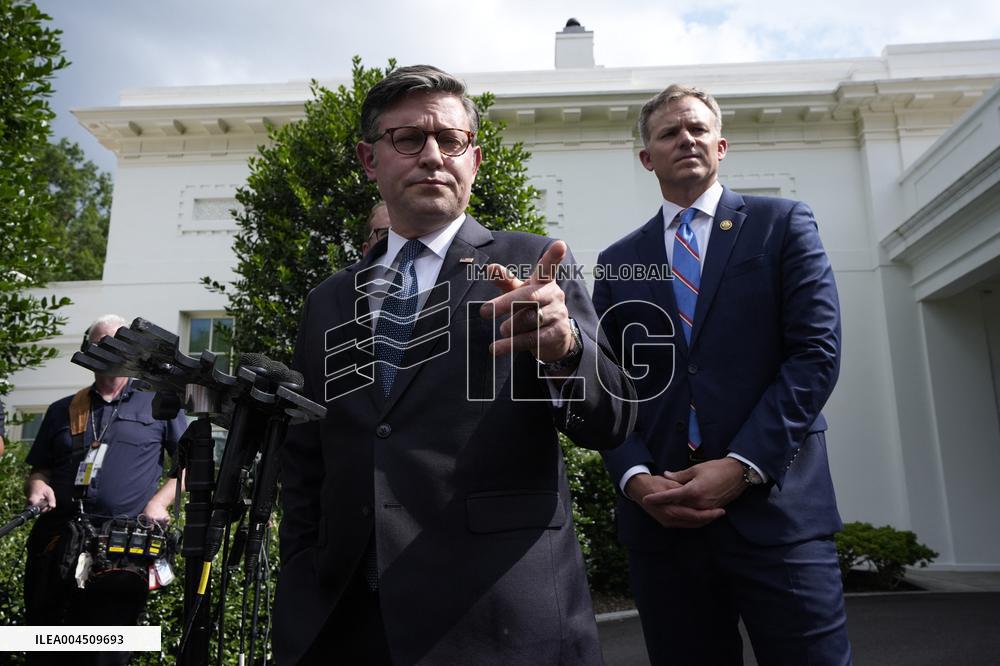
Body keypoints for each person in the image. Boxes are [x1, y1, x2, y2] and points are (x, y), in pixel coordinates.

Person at [275, 65, 635, 665]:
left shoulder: (533, 264)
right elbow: (308, 455)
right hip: (350, 622)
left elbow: (613, 420)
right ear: (370, 159)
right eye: (408, 139)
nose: (432, 156)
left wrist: (564, 349)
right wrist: (300, 576)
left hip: (499, 617)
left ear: (475, 158)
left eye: (451, 140)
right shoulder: (329, 300)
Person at [592, 84, 850, 665]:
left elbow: (816, 353)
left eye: (697, 129)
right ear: (646, 157)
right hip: (663, 524)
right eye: (668, 133)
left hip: (777, 516)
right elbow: (608, 387)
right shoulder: (616, 262)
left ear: (721, 145)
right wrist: (634, 477)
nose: (685, 139)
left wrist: (743, 466)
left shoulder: (781, 224)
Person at [23, 314, 187, 666]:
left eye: (117, 343)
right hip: (58, 545)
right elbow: (40, 469)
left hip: (122, 550)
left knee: (107, 653)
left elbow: (187, 466)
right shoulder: (62, 409)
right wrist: (37, 488)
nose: (108, 351)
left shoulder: (159, 402)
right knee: (45, 646)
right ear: (87, 350)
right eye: (101, 344)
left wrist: (160, 502)